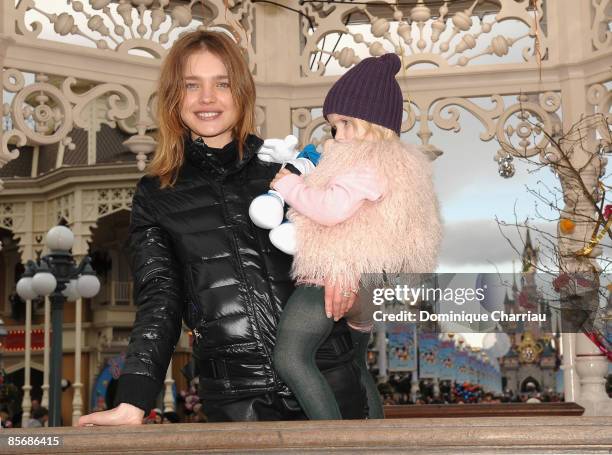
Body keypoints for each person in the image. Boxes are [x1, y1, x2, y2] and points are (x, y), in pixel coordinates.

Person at [78, 29, 366, 426]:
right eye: (191, 85)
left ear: (242, 93)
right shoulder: (157, 193)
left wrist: (348, 269)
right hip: (237, 398)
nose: (207, 98)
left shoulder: (287, 168)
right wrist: (133, 400)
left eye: (222, 84)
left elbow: (355, 232)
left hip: (328, 378)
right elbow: (160, 301)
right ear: (173, 97)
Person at [270, 53, 442, 420]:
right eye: (334, 126)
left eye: (347, 123)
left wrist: (289, 186)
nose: (339, 135)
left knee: (291, 357)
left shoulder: (365, 161)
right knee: (357, 365)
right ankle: (374, 436)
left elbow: (331, 209)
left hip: (331, 275)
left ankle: (334, 441)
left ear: (376, 123)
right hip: (366, 287)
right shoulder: (393, 166)